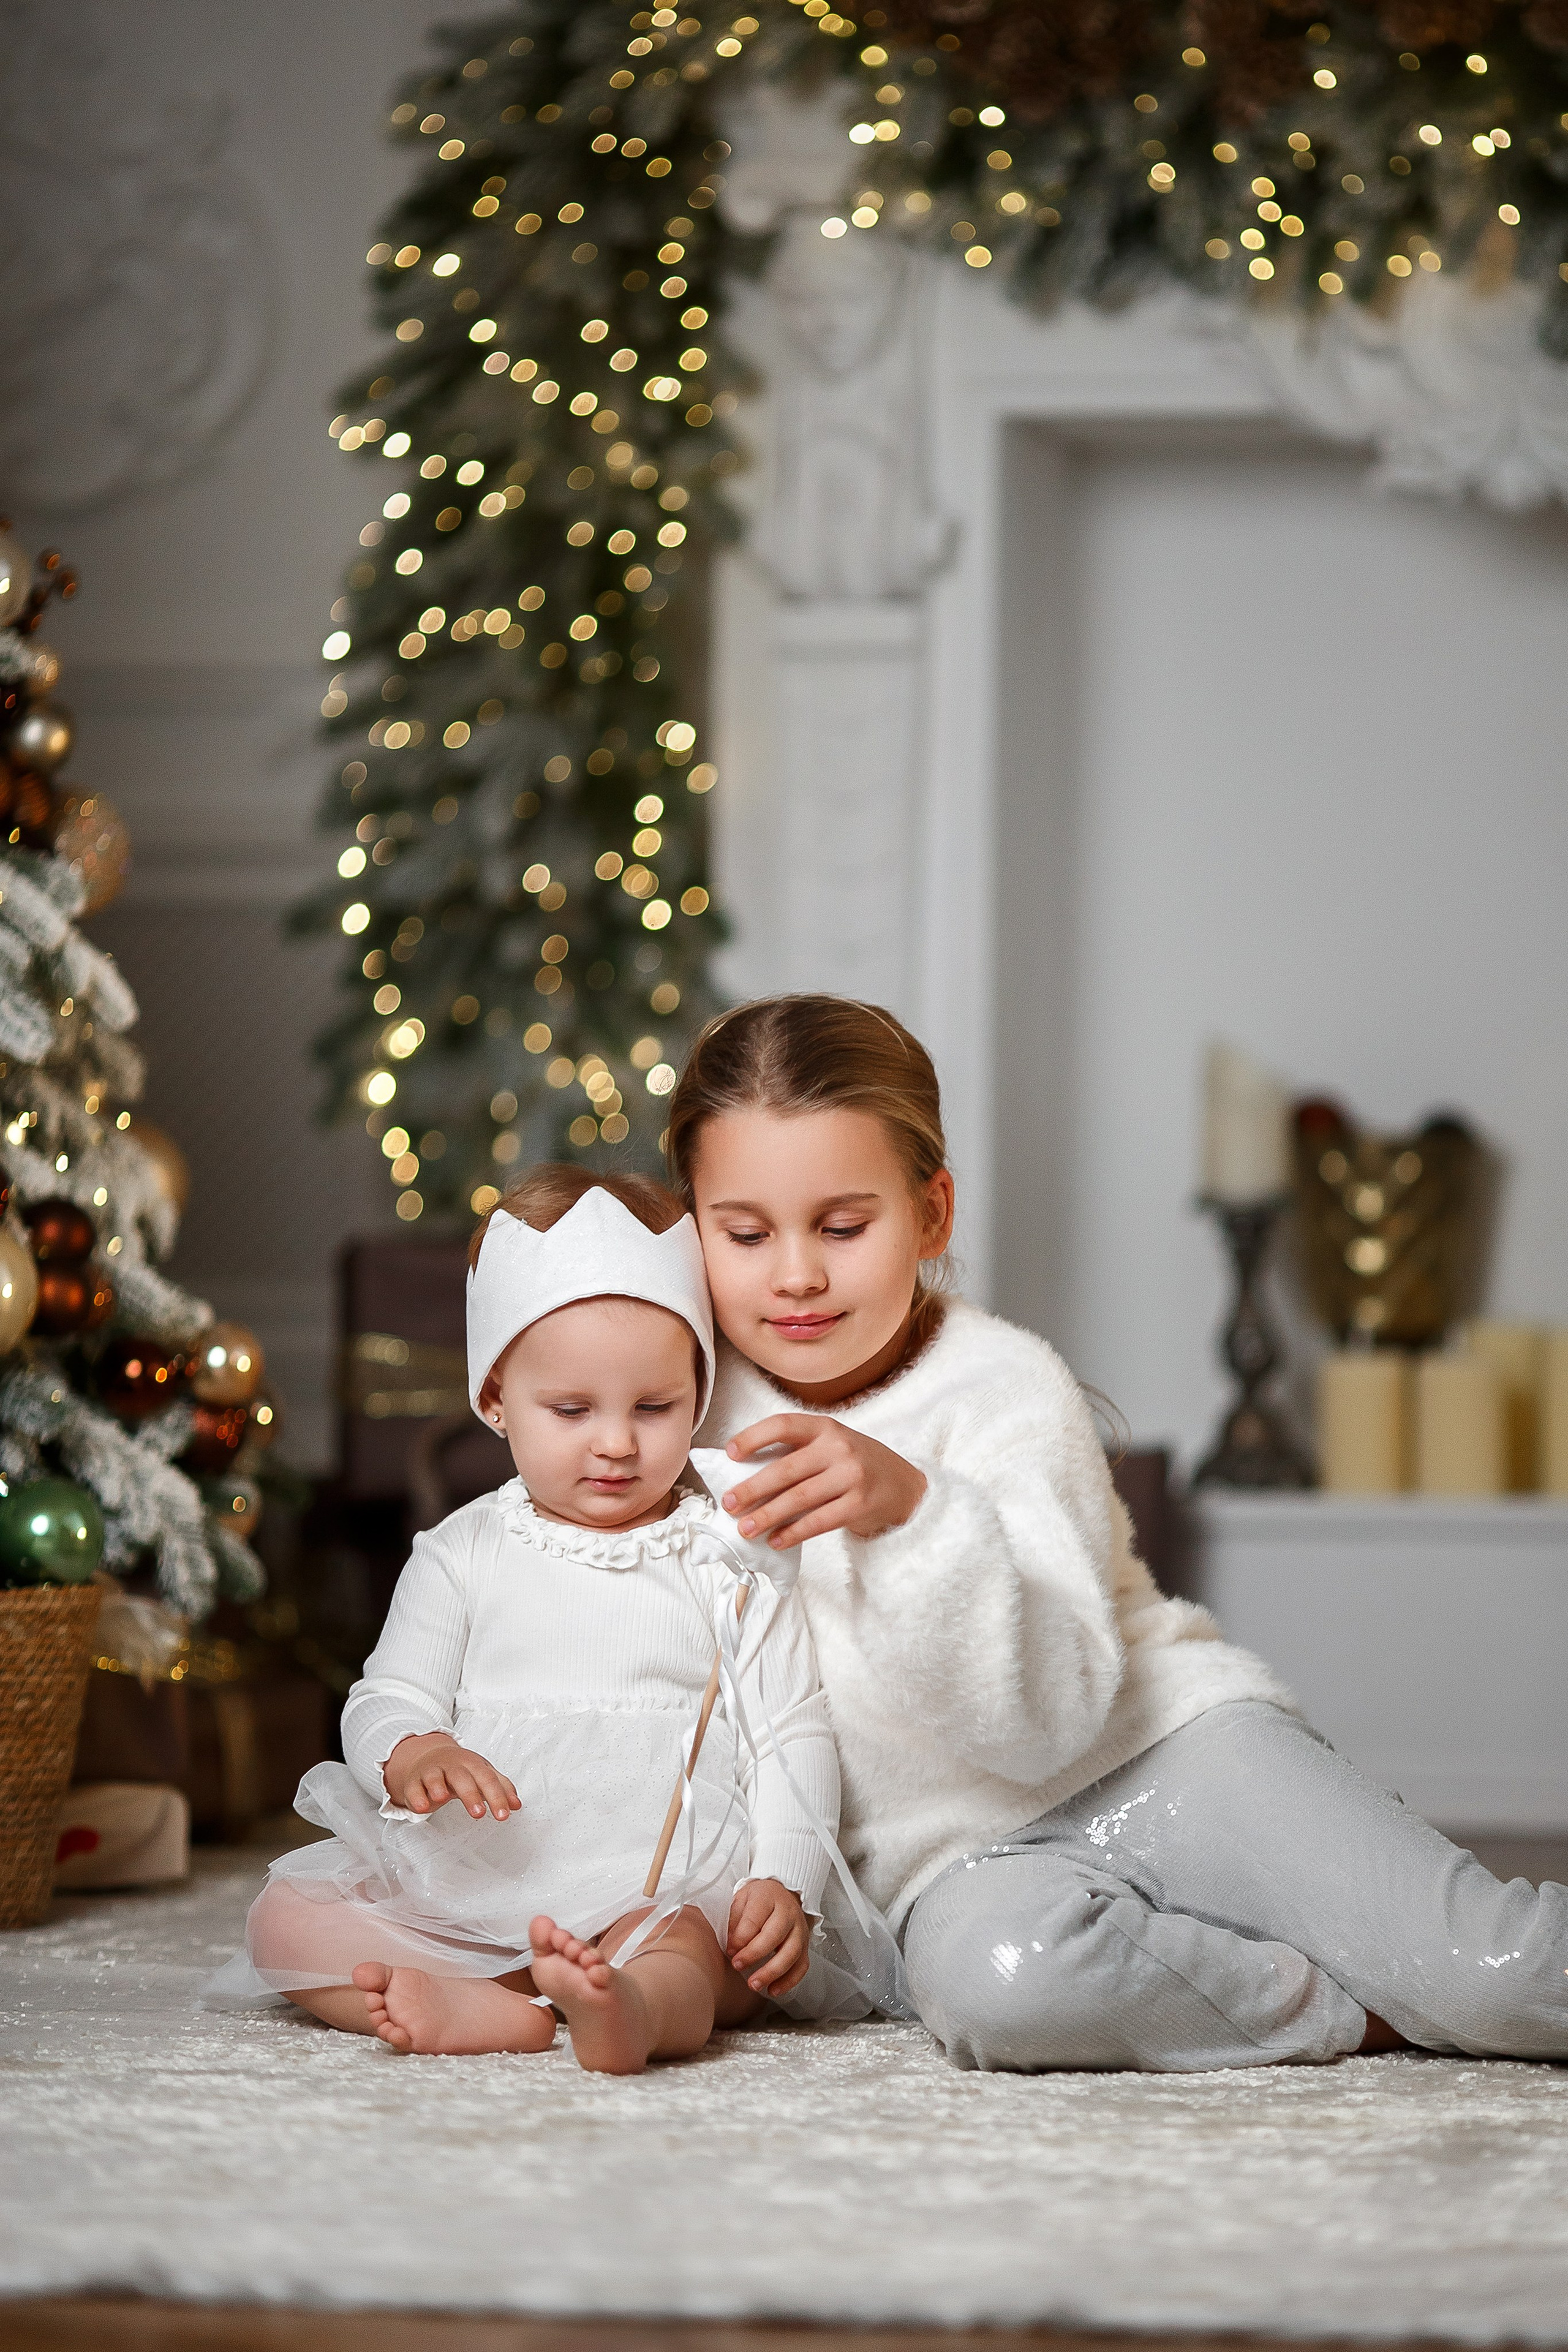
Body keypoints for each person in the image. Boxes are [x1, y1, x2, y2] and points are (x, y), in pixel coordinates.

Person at [670, 993, 1568, 2071]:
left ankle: (1404, 1970)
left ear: (932, 1215)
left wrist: (911, 1513)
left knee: (1492, 1978)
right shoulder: (680, 1412)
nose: (797, 1274)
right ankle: (1346, 2009)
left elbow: (1046, 1728)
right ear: (692, 1230)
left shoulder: (1006, 1388)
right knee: (1002, 1995)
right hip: (957, 1865)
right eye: (746, 1233)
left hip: (1161, 1750)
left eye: (844, 1226)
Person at [216, 1167, 838, 2071]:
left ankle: (625, 2006)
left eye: (656, 1407)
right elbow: (385, 1693)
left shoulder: (731, 1558)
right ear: (497, 1399)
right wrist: (415, 1752)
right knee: (286, 1920)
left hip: (661, 1879)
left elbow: (792, 1731)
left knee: (699, 1954)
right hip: (482, 1882)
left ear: (698, 1395)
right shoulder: (462, 1552)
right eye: (572, 1410)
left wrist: (787, 1877)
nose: (618, 1443)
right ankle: (497, 2004)